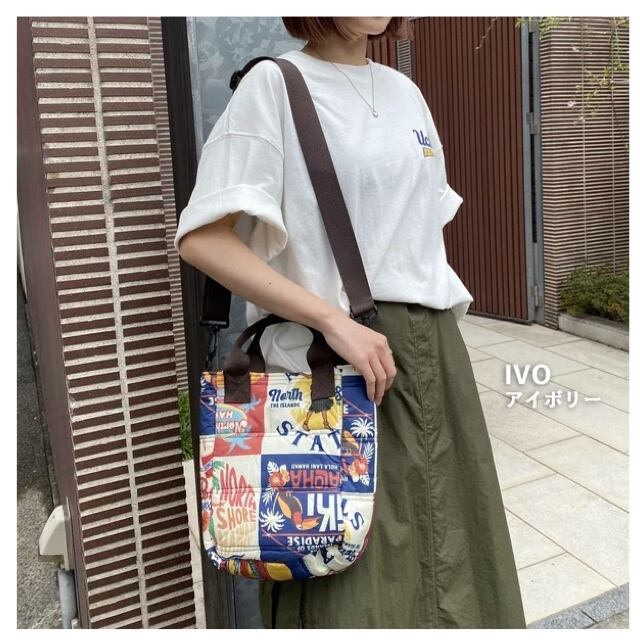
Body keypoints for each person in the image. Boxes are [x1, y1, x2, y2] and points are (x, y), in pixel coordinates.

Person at [175, 16, 527, 630]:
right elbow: (203, 239)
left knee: (450, 552)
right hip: (331, 365)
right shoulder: (274, 86)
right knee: (345, 570)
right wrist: (330, 318)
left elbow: (415, 235)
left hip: (429, 355)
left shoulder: (405, 91)